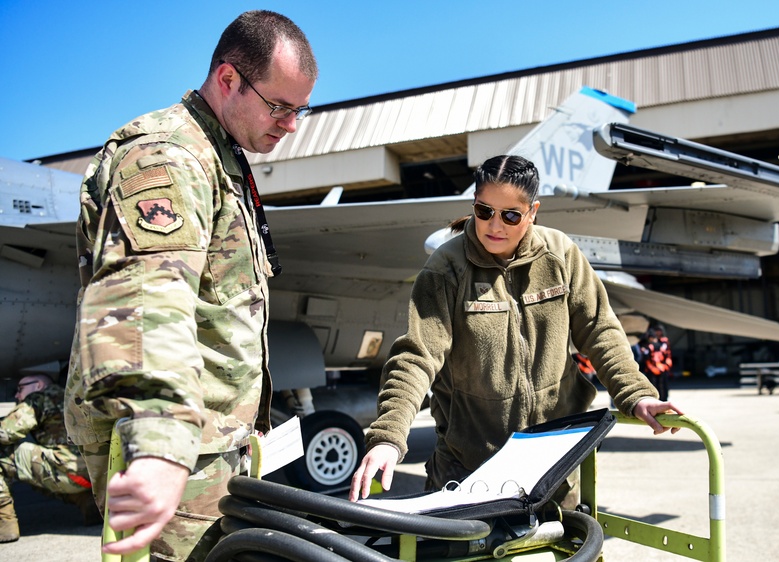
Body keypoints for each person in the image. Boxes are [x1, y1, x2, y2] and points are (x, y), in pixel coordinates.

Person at [63, 11, 317, 561]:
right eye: (280, 107)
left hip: (210, 446)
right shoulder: (168, 156)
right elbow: (146, 298)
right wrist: (158, 447)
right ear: (228, 79)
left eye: (300, 109)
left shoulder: (219, 157)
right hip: (176, 453)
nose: (291, 124)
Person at [349, 155, 684, 502]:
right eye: (484, 211)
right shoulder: (446, 268)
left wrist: (637, 394)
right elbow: (417, 355)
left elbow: (600, 331)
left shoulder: (561, 256)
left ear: (533, 211)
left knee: (569, 552)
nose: (495, 225)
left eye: (511, 215)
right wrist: (389, 436)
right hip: (470, 466)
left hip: (557, 459)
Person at [1, 374, 98, 542]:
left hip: (69, 470)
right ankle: (87, 500)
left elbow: (5, 432)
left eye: (20, 389)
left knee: (5, 454)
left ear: (38, 385)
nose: (17, 395)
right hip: (97, 472)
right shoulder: (74, 394)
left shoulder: (40, 397)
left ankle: (4, 524)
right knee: (40, 466)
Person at [638, 324, 673, 401]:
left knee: (662, 386)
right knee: (656, 386)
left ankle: (662, 399)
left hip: (660, 367)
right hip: (654, 368)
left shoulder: (663, 342)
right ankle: (660, 399)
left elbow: (667, 355)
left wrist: (665, 366)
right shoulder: (652, 346)